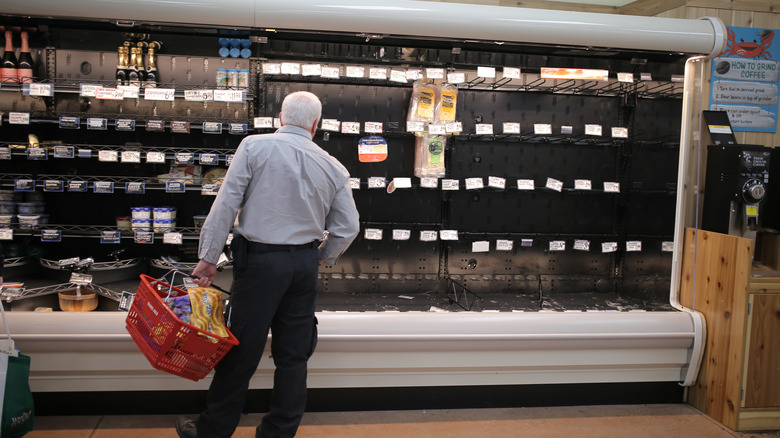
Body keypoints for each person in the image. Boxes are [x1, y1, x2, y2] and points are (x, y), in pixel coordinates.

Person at [176, 91, 360, 438]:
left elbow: (225, 204)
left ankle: (212, 430)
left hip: (259, 264)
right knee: (294, 356)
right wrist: (323, 256)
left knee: (240, 350)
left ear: (280, 118)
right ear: (316, 125)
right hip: (304, 266)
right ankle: (278, 432)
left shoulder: (253, 147)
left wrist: (208, 257)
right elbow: (348, 227)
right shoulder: (334, 167)